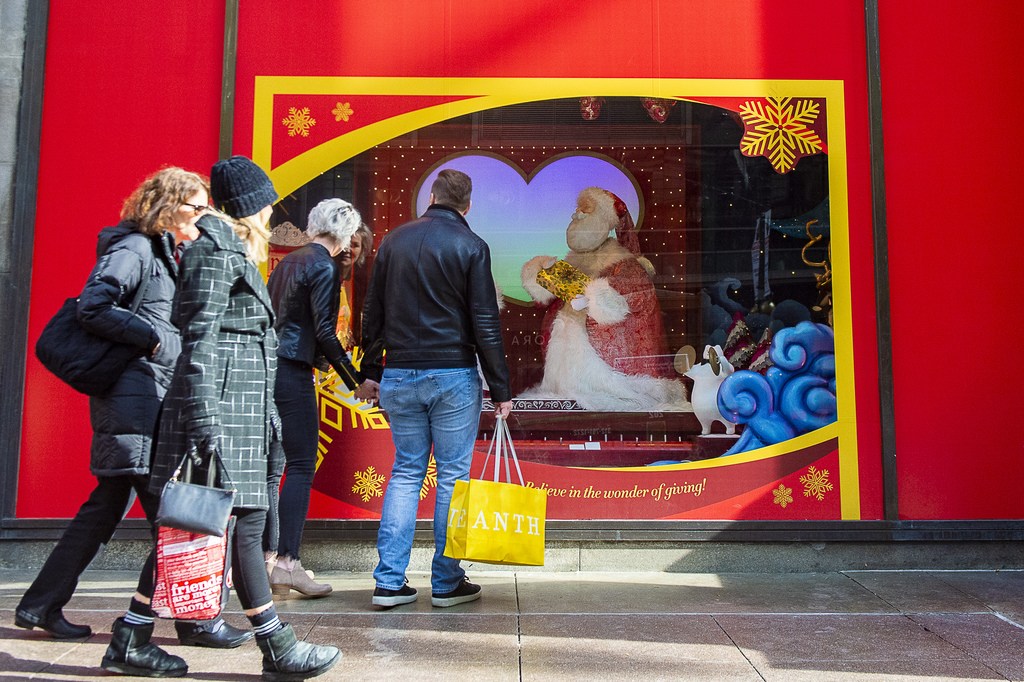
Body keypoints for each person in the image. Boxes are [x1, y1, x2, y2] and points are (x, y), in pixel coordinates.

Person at [100, 156, 340, 680]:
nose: (274, 209)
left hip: (242, 413)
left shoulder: (232, 253)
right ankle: (279, 648)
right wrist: (205, 422)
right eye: (269, 199)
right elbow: (199, 340)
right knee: (228, 526)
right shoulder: (215, 253)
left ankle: (132, 636)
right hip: (221, 414)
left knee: (202, 526)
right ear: (252, 207)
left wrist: (269, 422)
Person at [15, 167, 248, 648]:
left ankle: (41, 603)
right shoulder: (135, 249)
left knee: (104, 509)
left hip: (145, 394)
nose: (203, 215)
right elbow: (94, 307)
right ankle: (192, 620)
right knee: (178, 514)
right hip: (133, 396)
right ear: (167, 206)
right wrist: (157, 340)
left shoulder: (166, 253)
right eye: (195, 206)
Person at [359, 169, 513, 609]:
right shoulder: (471, 246)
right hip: (452, 374)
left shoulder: (393, 240)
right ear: (468, 205)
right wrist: (501, 387)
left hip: (399, 372)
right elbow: (485, 321)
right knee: (452, 477)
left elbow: (374, 309)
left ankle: (388, 582)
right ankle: (446, 583)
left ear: (432, 195)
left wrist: (371, 368)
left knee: (406, 472)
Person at [266, 198, 377, 596]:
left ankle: (267, 559)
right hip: (294, 371)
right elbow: (326, 333)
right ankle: (288, 563)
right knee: (299, 466)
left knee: (272, 469)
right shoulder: (324, 268)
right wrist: (356, 380)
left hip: (269, 369)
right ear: (348, 233)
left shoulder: (290, 263)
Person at [333, 220, 373, 349]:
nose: (348, 249)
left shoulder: (344, 282)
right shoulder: (328, 277)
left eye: (355, 245)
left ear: (362, 250)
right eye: (345, 243)